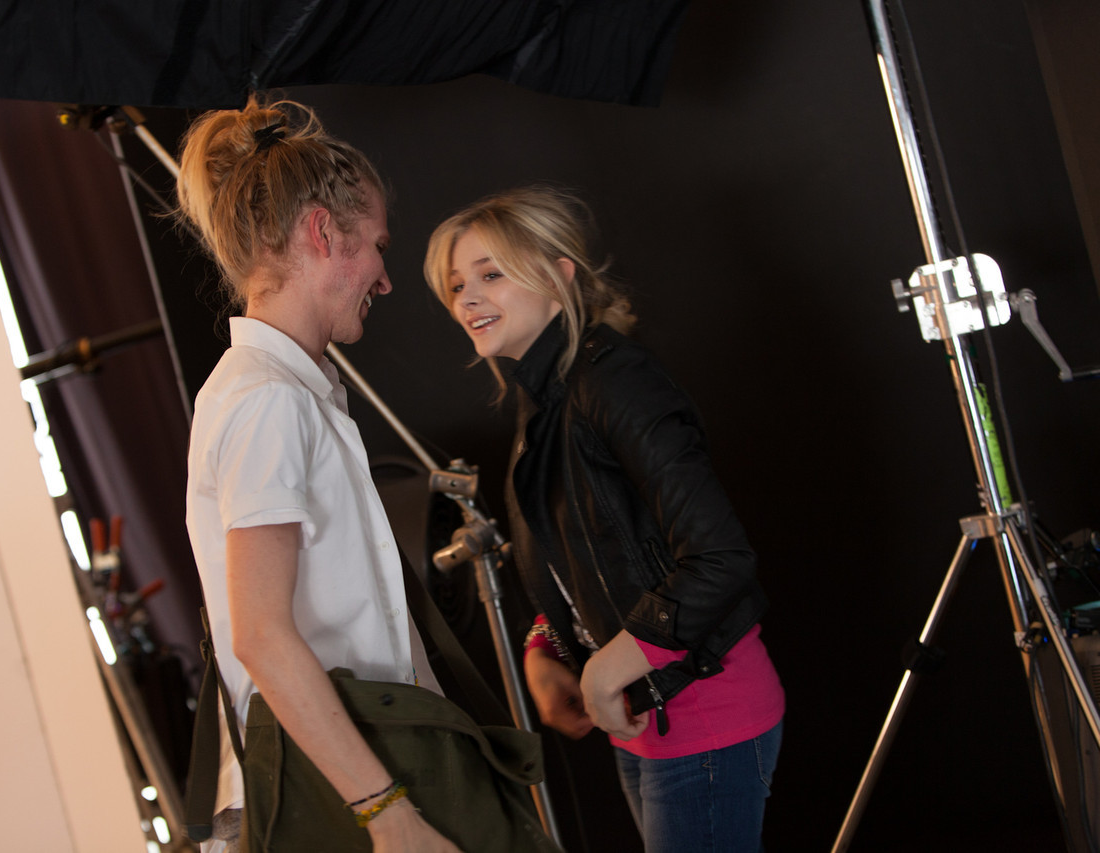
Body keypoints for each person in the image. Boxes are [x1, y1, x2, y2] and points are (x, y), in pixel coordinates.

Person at [424, 186, 785, 852]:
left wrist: (606, 666)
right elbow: (580, 557)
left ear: (559, 274)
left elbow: (719, 557)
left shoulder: (616, 381)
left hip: (704, 708)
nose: (467, 299)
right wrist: (546, 645)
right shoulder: (545, 396)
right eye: (455, 285)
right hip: (642, 719)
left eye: (490, 274)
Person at [179, 96, 460, 853]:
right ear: (322, 232)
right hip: (325, 796)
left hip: (347, 775)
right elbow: (262, 635)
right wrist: (388, 814)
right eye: (376, 245)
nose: (384, 277)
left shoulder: (288, 391)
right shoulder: (266, 400)